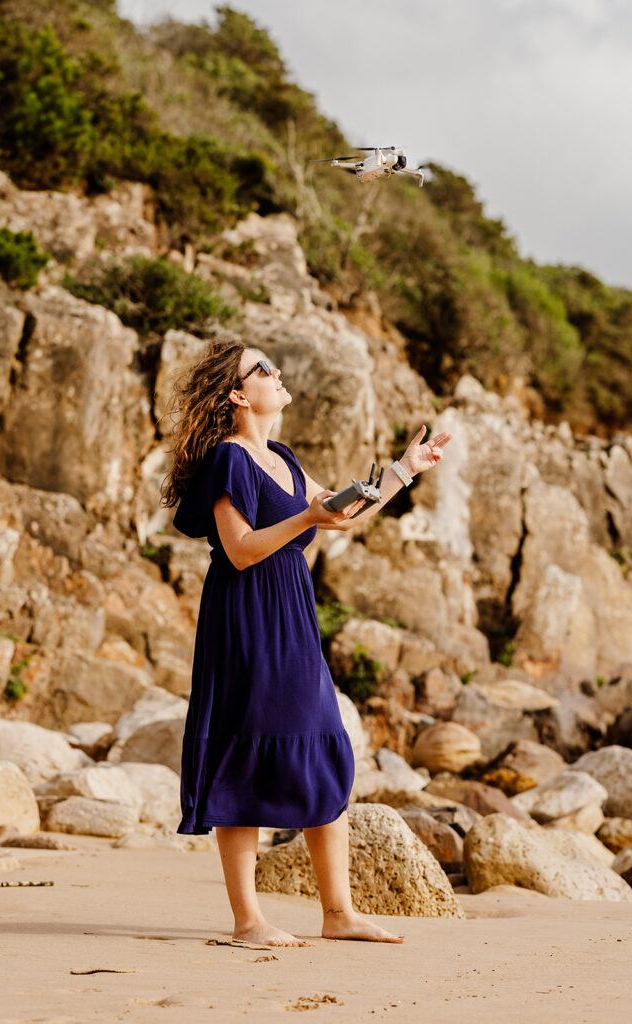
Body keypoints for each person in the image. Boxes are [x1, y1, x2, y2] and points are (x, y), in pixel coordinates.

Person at [160, 340, 451, 946]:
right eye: (263, 368)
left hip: (292, 610)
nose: (277, 372)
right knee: (244, 745)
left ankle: (337, 912)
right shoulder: (228, 459)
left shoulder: (284, 459)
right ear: (239, 393)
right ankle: (248, 921)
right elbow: (240, 550)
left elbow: (342, 514)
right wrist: (305, 521)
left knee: (324, 741)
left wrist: (404, 470)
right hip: (245, 613)